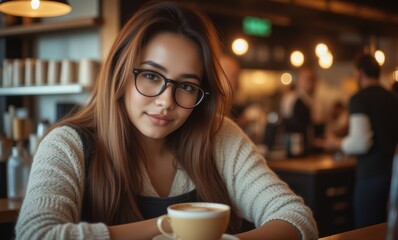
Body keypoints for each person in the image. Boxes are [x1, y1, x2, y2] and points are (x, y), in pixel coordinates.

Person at [15, 2, 318, 240]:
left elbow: (295, 217)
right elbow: (37, 235)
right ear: (120, 71)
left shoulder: (218, 134)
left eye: (186, 86)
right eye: (150, 76)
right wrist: (175, 225)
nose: (166, 102)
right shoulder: (68, 144)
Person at [322, 54, 398, 228]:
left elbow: (361, 142)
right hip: (393, 175)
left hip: (371, 176)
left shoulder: (359, 99)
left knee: (366, 231)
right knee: (387, 229)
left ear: (359, 73)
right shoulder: (393, 98)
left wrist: (337, 144)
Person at [280, 66, 318, 157]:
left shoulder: (314, 101)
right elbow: (287, 124)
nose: (311, 83)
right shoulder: (291, 99)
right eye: (307, 79)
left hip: (311, 149)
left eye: (313, 79)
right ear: (298, 80)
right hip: (295, 148)